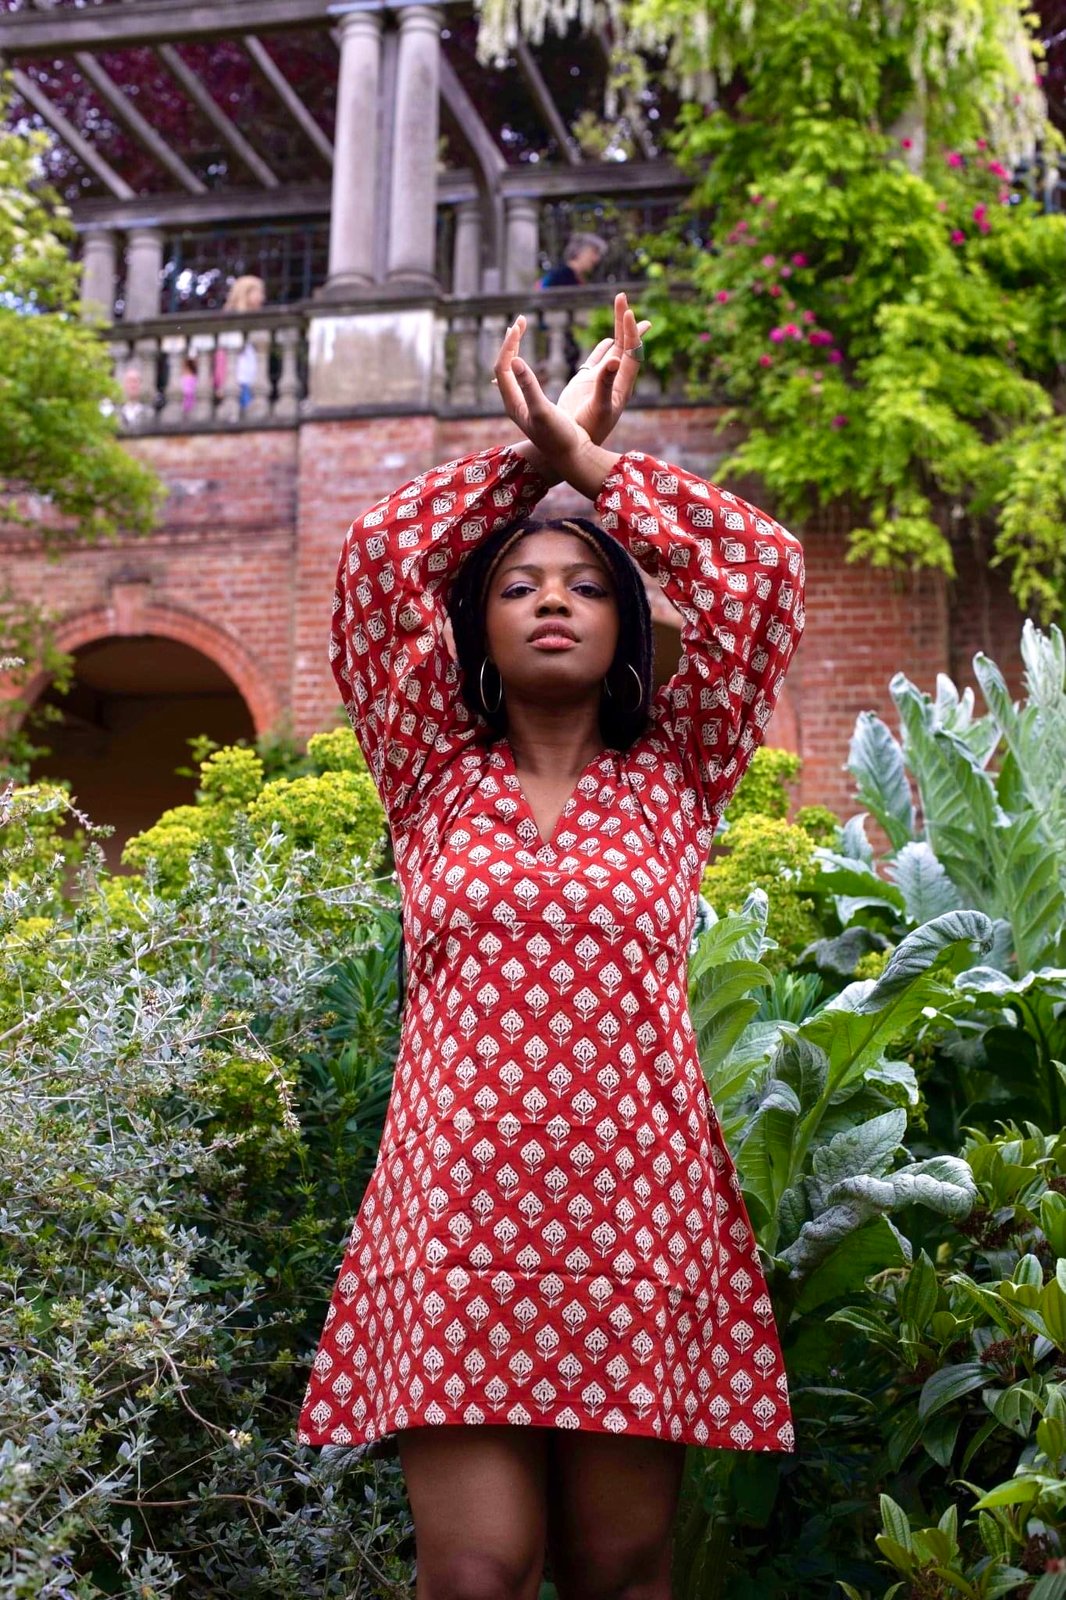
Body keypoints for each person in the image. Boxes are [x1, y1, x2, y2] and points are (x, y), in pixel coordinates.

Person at [299, 292, 805, 1599]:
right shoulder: (426, 778)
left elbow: (762, 573)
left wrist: (594, 473)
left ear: (626, 622)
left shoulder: (679, 775)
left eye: (586, 585)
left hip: (638, 1209)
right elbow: (372, 563)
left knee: (622, 1566)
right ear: (478, 630)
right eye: (519, 586)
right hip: (453, 1215)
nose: (552, 601)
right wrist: (523, 461)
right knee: (476, 1570)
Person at [214, 273, 266, 409]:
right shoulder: (231, 321)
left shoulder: (255, 322)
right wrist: (221, 382)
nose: (262, 297)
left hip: (252, 380)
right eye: (258, 292)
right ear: (245, 294)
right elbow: (221, 354)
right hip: (238, 380)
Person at [540, 231, 608, 288]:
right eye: (594, 252)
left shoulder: (578, 278)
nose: (597, 259)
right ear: (579, 251)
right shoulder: (558, 277)